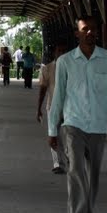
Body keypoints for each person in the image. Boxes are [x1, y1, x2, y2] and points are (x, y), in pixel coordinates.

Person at [48, 13, 107, 213]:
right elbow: (59, 98)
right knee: (75, 174)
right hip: (72, 125)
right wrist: (52, 129)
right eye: (85, 29)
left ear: (98, 32)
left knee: (92, 178)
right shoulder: (65, 61)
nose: (89, 33)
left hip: (98, 126)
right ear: (77, 33)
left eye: (93, 29)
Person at [37, 42, 69, 174]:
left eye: (63, 51)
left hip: (70, 108)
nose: (61, 53)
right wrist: (38, 108)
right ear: (55, 53)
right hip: (53, 107)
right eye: (59, 50)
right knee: (54, 136)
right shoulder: (47, 69)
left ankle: (70, 160)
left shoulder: (74, 68)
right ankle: (58, 164)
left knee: (69, 136)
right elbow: (42, 90)